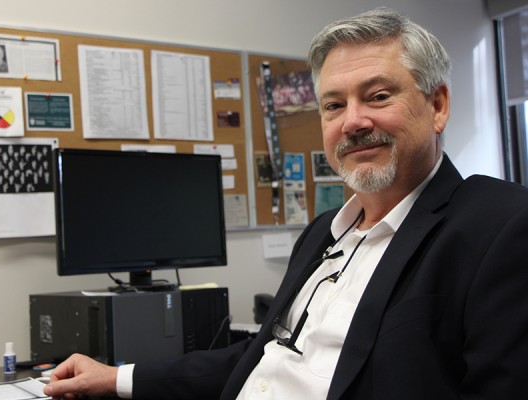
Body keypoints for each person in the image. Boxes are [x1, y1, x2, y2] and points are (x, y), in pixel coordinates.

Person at [44, 8, 528, 400]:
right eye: (333, 105)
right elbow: (259, 357)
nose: (353, 121)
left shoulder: (500, 225)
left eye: (378, 96)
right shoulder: (323, 234)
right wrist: (116, 377)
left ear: (438, 106)